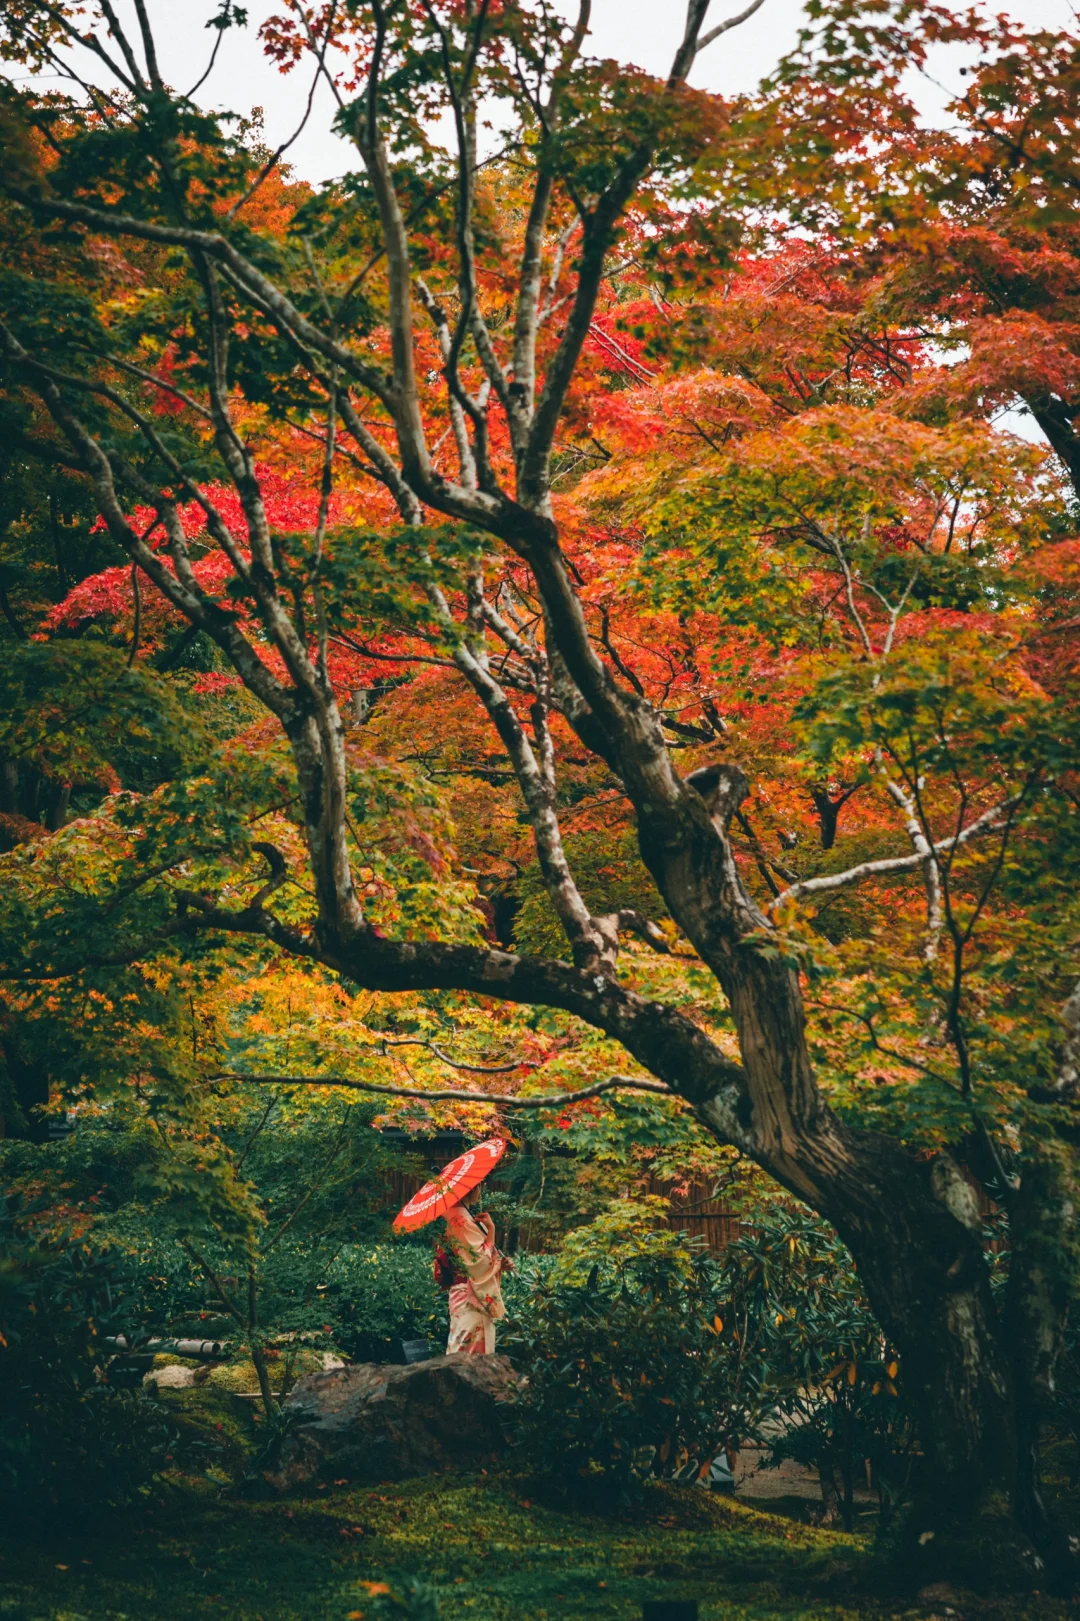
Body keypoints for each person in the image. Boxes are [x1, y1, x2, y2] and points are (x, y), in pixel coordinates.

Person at [433, 1186, 512, 1355]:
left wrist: (499, 1266)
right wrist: (491, 1230)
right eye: (478, 1187)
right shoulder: (461, 1220)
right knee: (469, 1352)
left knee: (461, 1347)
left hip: (463, 1293)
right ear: (469, 1189)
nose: (480, 1190)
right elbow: (480, 1262)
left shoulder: (455, 1216)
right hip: (470, 1297)